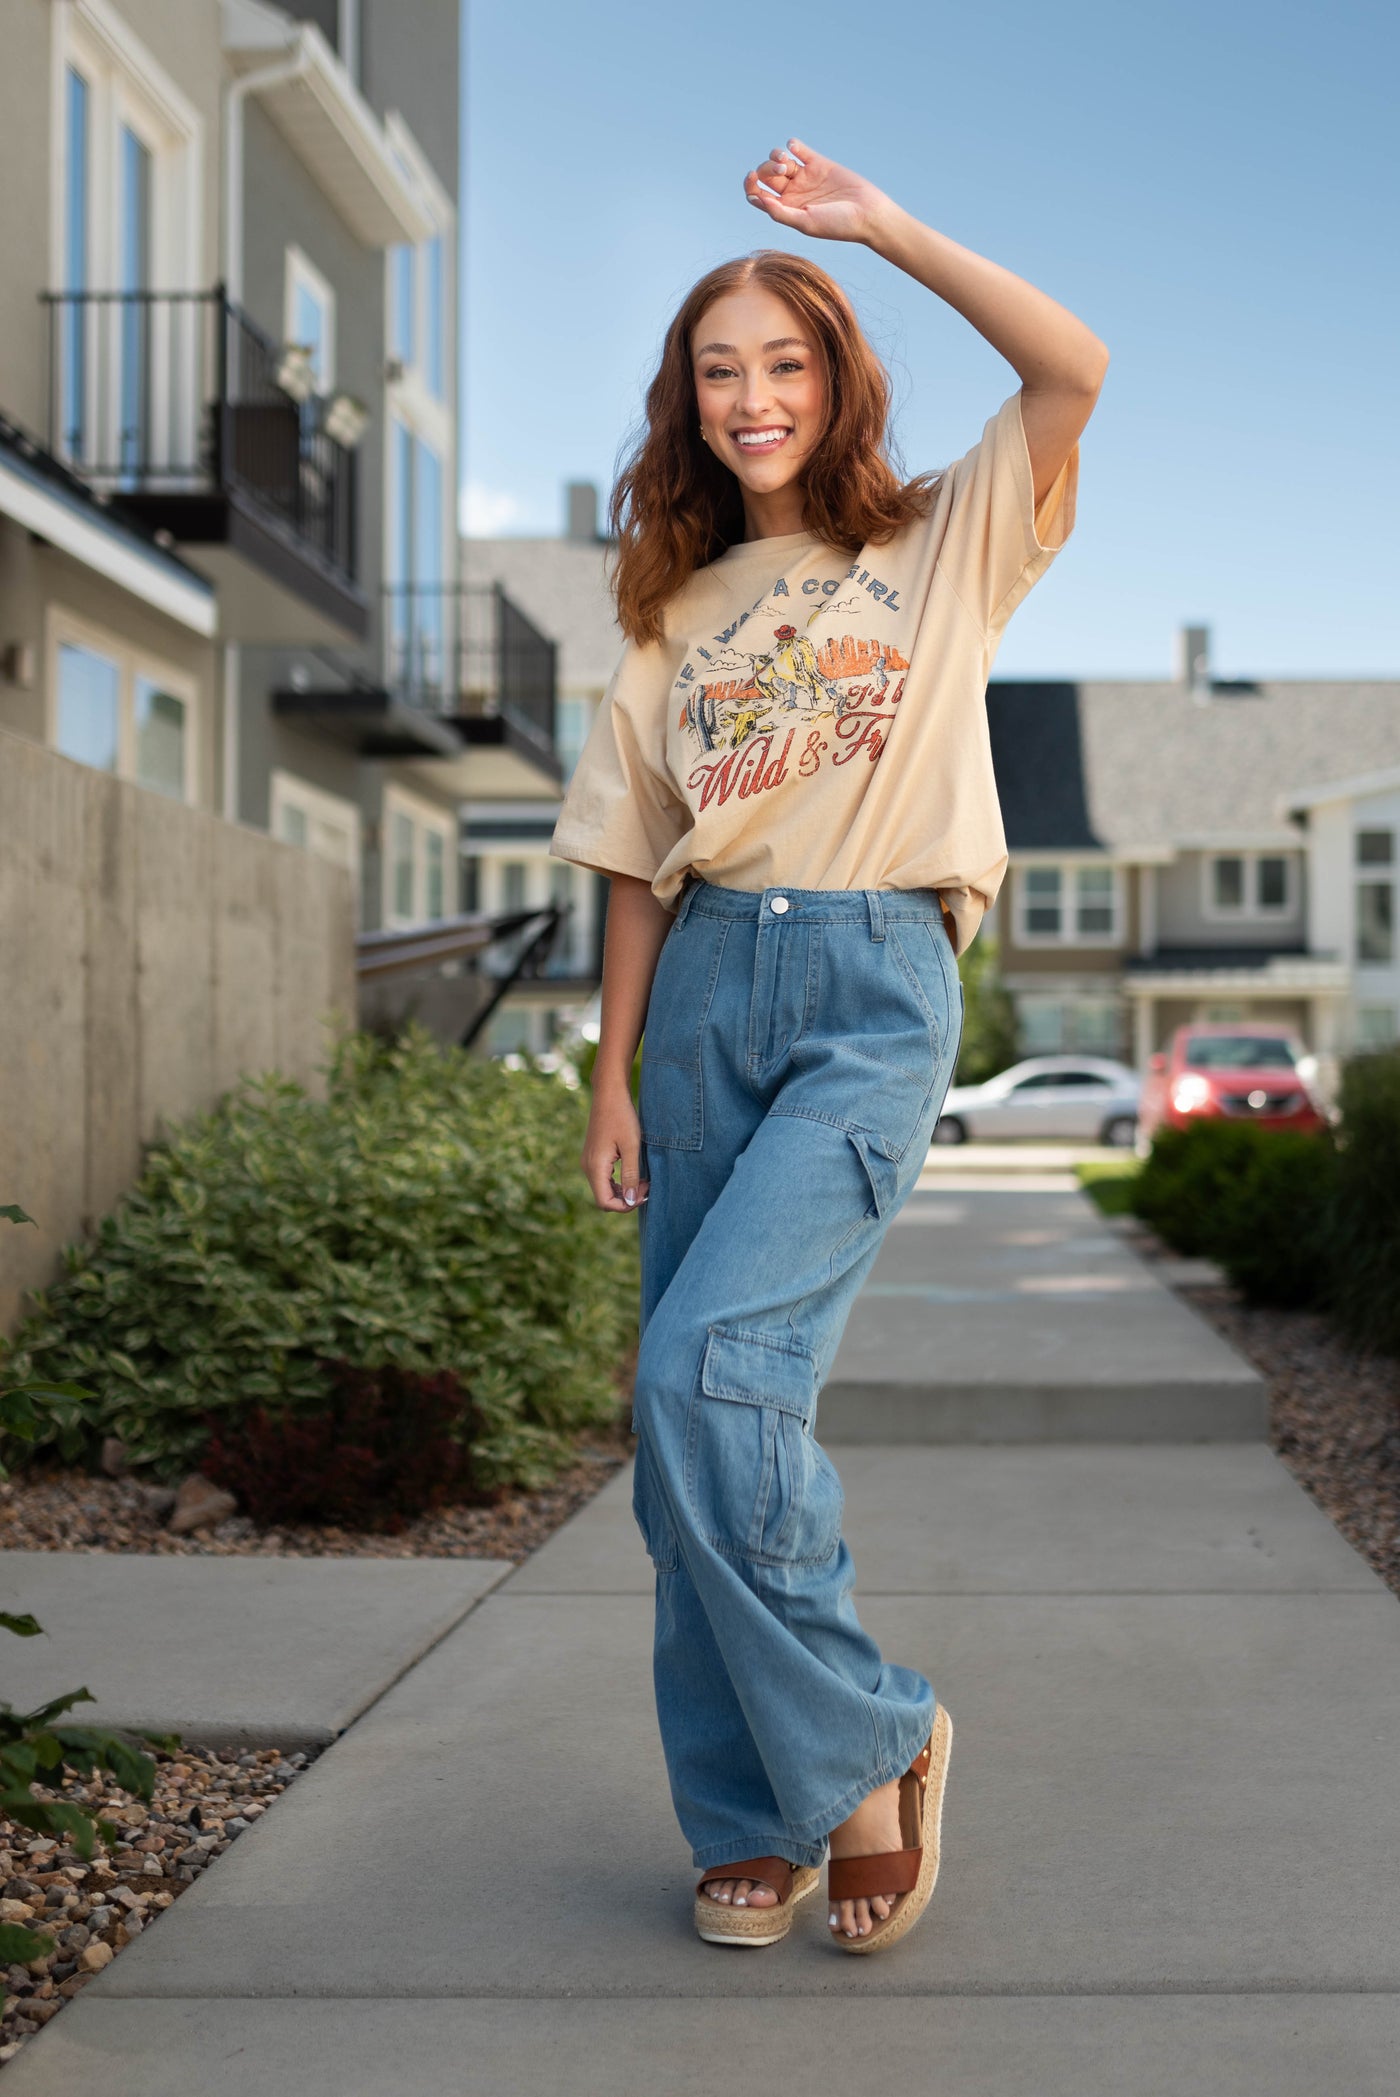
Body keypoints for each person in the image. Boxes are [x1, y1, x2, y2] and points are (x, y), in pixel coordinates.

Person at [548, 137, 1107, 1954]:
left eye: (784, 362)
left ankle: (869, 1742)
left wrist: (876, 228)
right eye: (721, 370)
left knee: (717, 1362)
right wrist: (613, 1071)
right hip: (706, 989)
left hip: (873, 988)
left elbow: (1072, 366)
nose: (753, 395)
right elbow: (636, 864)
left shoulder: (944, 540)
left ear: (836, 379)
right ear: (686, 405)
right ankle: (749, 1814)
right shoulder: (666, 613)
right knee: (681, 1425)